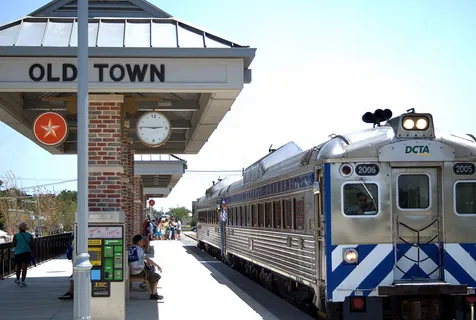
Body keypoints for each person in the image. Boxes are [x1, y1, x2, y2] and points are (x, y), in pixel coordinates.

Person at [128, 235, 163, 300]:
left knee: (150, 268)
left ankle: (145, 284)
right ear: (139, 241)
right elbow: (148, 260)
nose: (143, 242)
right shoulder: (139, 250)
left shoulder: (131, 248)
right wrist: (157, 266)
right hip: (138, 271)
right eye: (142, 240)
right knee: (156, 276)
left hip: (130, 270)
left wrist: (147, 263)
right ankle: (154, 294)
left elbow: (139, 260)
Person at [11, 222, 33, 287]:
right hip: (27, 252)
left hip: (18, 253)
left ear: (19, 229)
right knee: (24, 268)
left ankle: (18, 279)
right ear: (25, 229)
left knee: (18, 267)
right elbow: (32, 245)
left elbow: (13, 244)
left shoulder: (16, 235)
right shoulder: (29, 235)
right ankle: (23, 281)